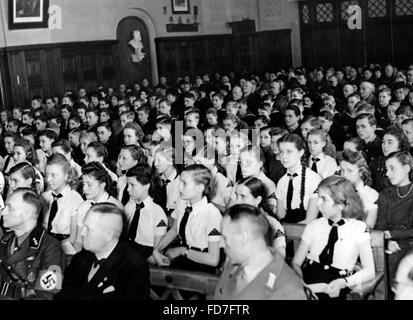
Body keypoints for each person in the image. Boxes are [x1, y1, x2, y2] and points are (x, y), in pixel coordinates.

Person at [292, 176, 375, 300]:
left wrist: (345, 282)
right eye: (318, 197)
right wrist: (302, 285)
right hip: (308, 279)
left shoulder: (358, 228)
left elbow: (370, 271)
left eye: (324, 199)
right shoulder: (314, 225)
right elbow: (296, 263)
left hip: (337, 283)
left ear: (341, 204)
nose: (318, 203)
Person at [54, 203, 150, 300]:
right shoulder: (79, 258)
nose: (82, 233)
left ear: (108, 234)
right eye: (83, 227)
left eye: (88, 229)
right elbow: (63, 295)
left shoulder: (134, 267)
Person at [214, 204, 307, 300]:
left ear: (244, 238)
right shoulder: (233, 264)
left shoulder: (289, 291)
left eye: (225, 238)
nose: (223, 246)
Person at [153, 165, 222, 274]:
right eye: (180, 182)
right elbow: (175, 230)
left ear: (200, 188)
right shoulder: (183, 202)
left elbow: (213, 260)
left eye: (184, 183)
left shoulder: (212, 213)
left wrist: (182, 251)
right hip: (183, 258)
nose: (179, 187)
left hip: (200, 266)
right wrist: (156, 250)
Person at [0, 188, 65, 300]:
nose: (3, 212)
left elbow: (46, 294)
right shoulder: (4, 240)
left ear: (27, 214)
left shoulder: (51, 247)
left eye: (10, 208)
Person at [375, 151, 413, 290]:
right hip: (390, 244)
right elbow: (380, 225)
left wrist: (390, 235)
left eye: (392, 168)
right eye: (386, 169)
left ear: (406, 168)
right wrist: (386, 242)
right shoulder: (386, 194)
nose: (387, 173)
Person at [73, 162, 122, 252]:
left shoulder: (116, 208)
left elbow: (115, 246)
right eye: (83, 184)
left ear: (102, 184)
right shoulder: (83, 206)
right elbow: (78, 241)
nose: (84, 189)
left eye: (89, 184)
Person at [124, 164, 168, 262]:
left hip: (144, 257)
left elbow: (158, 251)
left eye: (132, 185)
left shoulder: (157, 212)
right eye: (127, 185)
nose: (128, 189)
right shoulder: (129, 206)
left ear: (146, 186)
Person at [42, 154, 84, 255]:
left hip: (66, 251)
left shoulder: (75, 200)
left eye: (53, 175)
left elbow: (74, 239)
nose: (48, 180)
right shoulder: (44, 197)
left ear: (66, 176)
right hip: (45, 247)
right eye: (47, 175)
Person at [234, 177, 286, 257]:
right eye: (236, 196)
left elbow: (280, 260)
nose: (237, 201)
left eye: (243, 196)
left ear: (257, 200)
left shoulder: (273, 224)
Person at [276, 134, 321, 224]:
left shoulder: (314, 179)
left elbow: (310, 220)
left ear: (301, 153)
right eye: (281, 151)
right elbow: (280, 215)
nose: (284, 156)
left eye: (289, 151)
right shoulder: (282, 181)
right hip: (287, 228)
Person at [340, 150, 379, 228]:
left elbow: (368, 227)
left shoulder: (372, 195)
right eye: (342, 170)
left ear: (361, 172)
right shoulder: (337, 191)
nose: (344, 175)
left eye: (349, 171)